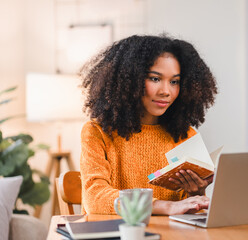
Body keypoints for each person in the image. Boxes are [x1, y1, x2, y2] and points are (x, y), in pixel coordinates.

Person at [79, 34, 217, 215]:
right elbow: (94, 198)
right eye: (155, 79)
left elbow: (188, 216)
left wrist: (196, 193)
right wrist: (165, 206)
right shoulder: (97, 132)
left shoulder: (186, 136)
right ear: (128, 80)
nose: (166, 91)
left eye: (174, 81)